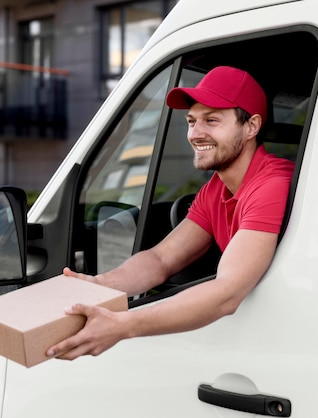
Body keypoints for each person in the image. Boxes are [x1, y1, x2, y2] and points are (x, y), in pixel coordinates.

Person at [46, 66, 295, 360]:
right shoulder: (216, 188)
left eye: (212, 120)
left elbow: (228, 292)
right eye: (191, 121)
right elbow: (162, 259)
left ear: (251, 126)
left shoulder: (271, 185)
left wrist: (123, 326)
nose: (195, 133)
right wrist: (99, 286)